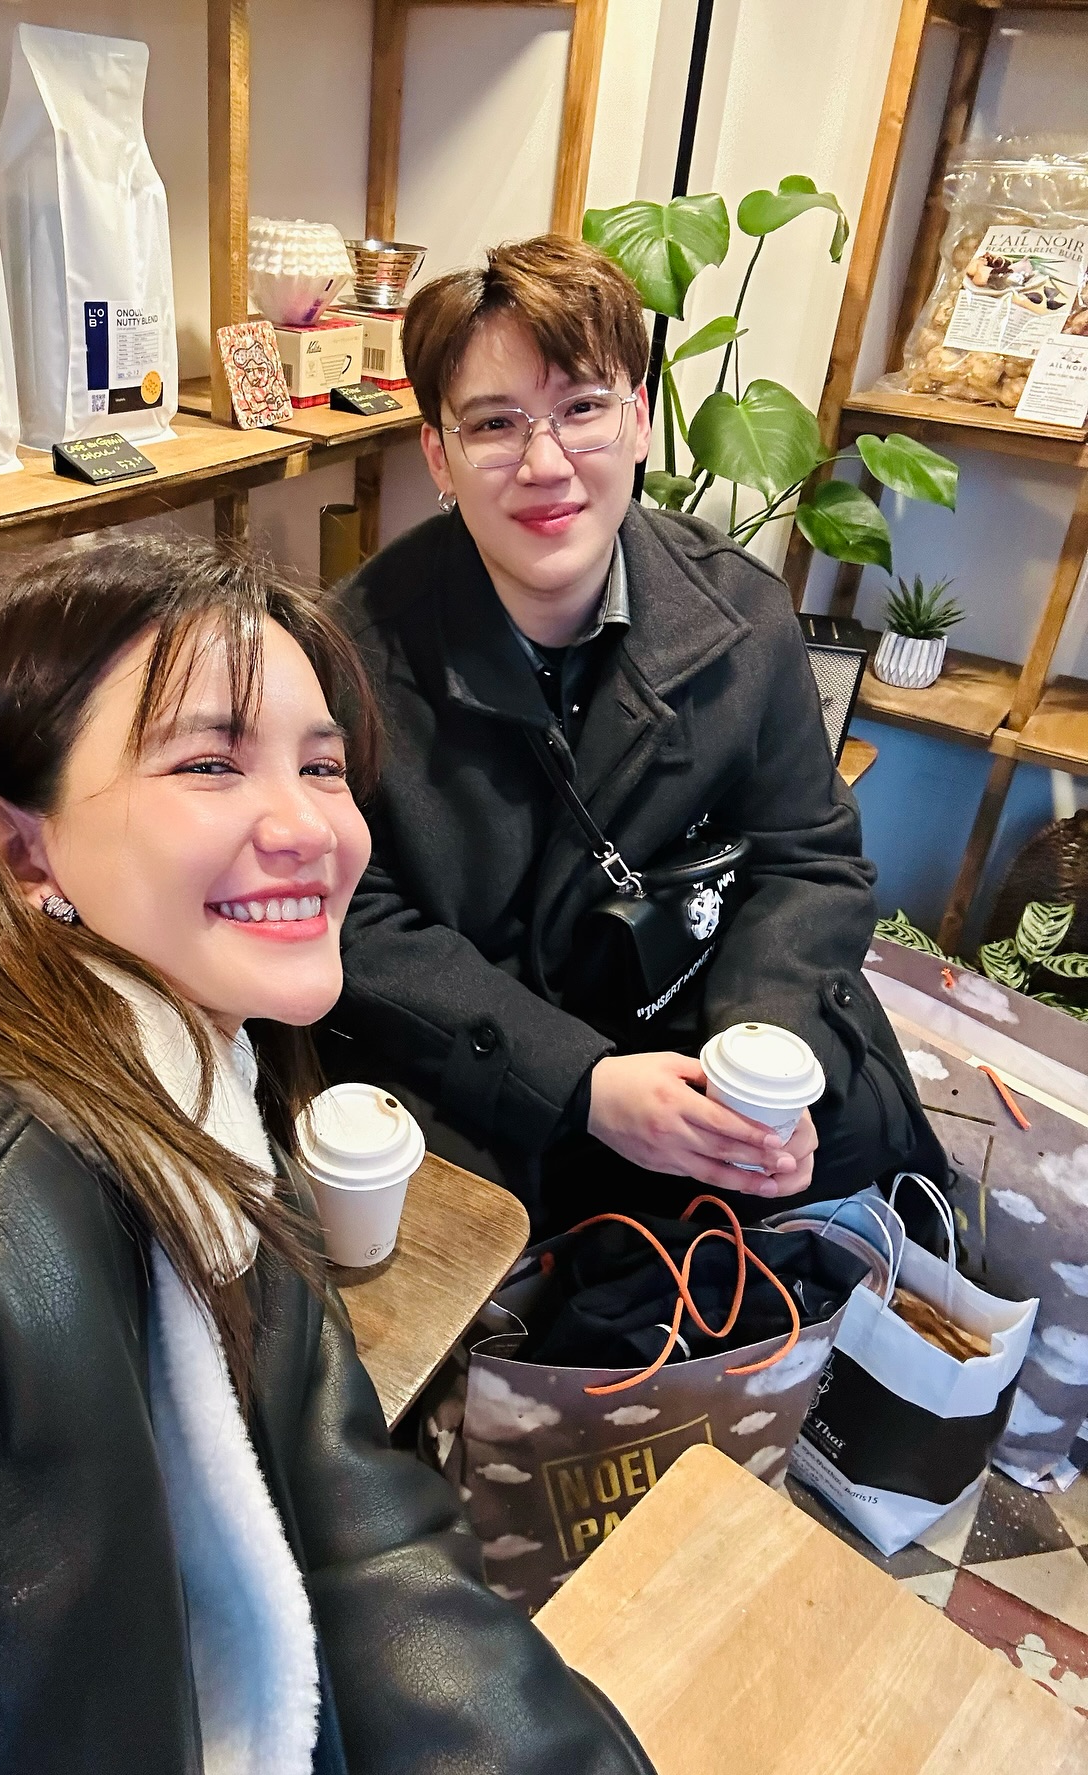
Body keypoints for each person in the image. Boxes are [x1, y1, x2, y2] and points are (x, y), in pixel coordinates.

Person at [0, 537, 661, 1775]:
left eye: (322, 767)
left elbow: (351, 1520)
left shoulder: (191, 1091)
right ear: (21, 854)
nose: (311, 828)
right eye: (208, 764)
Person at [326, 234, 950, 1236]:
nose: (546, 464)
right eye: (494, 424)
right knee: (450, 1223)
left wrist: (757, 1059)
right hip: (490, 1042)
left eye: (583, 409)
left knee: (836, 1127)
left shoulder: (740, 615)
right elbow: (352, 915)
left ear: (641, 420)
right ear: (439, 455)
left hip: (692, 1001)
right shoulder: (349, 655)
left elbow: (808, 859)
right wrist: (580, 1082)